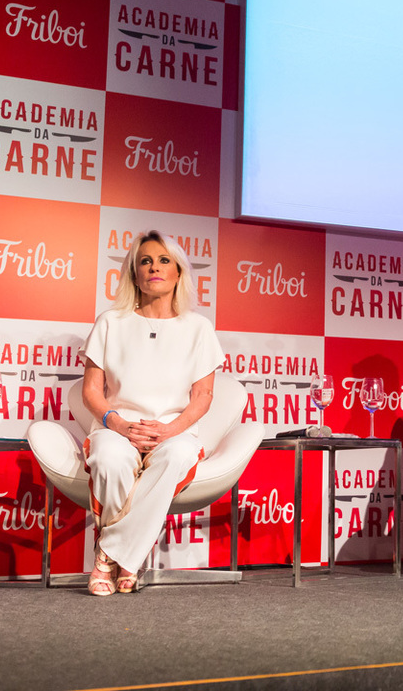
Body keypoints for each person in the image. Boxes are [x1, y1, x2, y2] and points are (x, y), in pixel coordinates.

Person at [79, 231, 226, 595]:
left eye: (164, 261)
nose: (154, 268)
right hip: (118, 427)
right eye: (145, 261)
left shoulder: (198, 328)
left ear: (179, 273)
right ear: (134, 274)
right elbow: (91, 391)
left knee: (175, 455)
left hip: (173, 432)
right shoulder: (111, 322)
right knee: (110, 459)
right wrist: (119, 424)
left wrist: (169, 430)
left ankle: (108, 558)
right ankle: (129, 561)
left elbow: (203, 396)